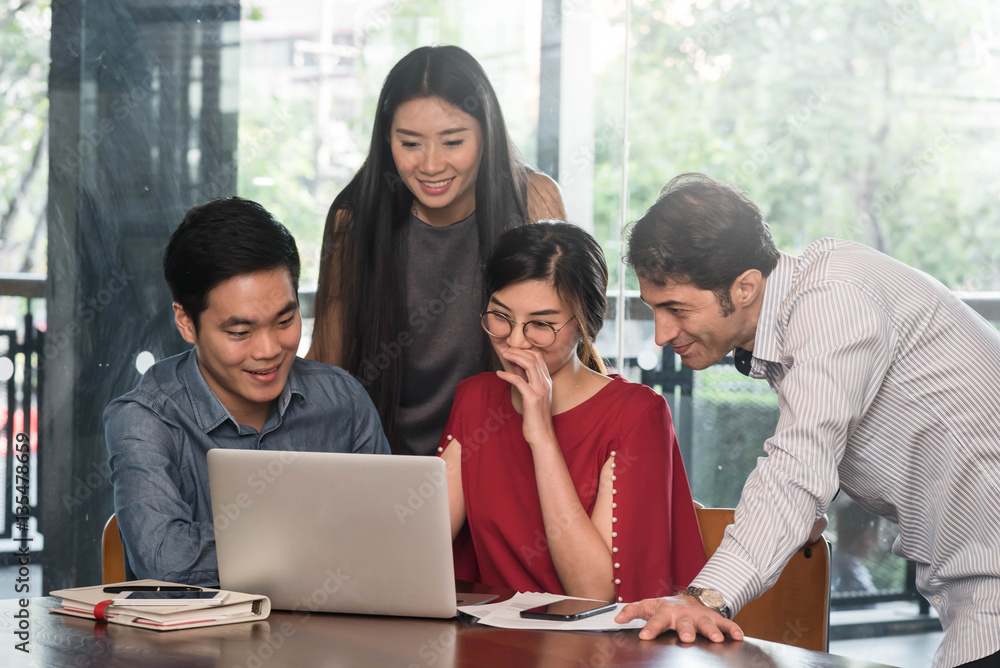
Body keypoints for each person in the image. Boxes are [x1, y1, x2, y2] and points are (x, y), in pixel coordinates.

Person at [615, 173, 1000, 668]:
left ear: (746, 286)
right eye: (653, 309)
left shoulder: (832, 301)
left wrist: (704, 598)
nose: (661, 334)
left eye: (676, 308)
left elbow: (798, 467)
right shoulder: (808, 306)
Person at [105, 198, 390, 587]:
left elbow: (391, 538)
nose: (268, 349)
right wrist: (322, 540)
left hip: (329, 640)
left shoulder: (343, 400)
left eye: (285, 320)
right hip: (194, 646)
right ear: (186, 323)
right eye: (240, 332)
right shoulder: (145, 419)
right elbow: (166, 561)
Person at [308, 45, 566, 457]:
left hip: (502, 456)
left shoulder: (534, 201)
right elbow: (329, 363)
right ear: (386, 138)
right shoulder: (354, 218)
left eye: (453, 142)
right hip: (380, 462)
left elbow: (568, 349)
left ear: (486, 133)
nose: (430, 166)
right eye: (410, 144)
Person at [439, 222, 705, 603]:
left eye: (541, 325)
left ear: (585, 324)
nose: (514, 341)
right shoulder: (476, 398)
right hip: (489, 642)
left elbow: (595, 594)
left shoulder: (635, 414)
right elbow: (418, 549)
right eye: (500, 316)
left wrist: (542, 436)